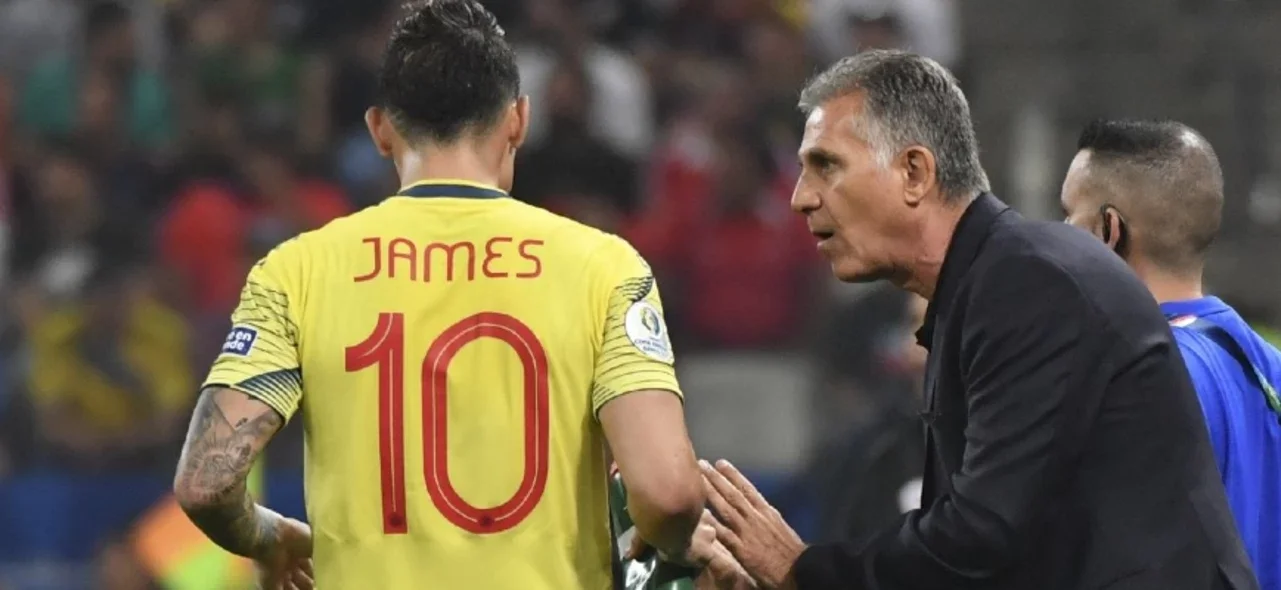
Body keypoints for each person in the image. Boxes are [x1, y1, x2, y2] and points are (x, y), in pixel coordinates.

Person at [171, 2, 710, 588]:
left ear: (380, 130)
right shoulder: (605, 267)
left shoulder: (295, 272)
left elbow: (207, 482)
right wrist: (662, 553)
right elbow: (668, 495)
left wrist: (270, 536)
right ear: (519, 120)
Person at [697, 49, 1259, 590]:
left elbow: (982, 538)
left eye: (826, 165)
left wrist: (805, 570)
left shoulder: (1031, 286)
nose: (800, 197)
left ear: (915, 172)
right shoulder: (985, 286)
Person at [1061, 118, 1281, 590]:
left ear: (1109, 229)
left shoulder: (1141, 378)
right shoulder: (1269, 366)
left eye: (1069, 217)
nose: (1059, 238)